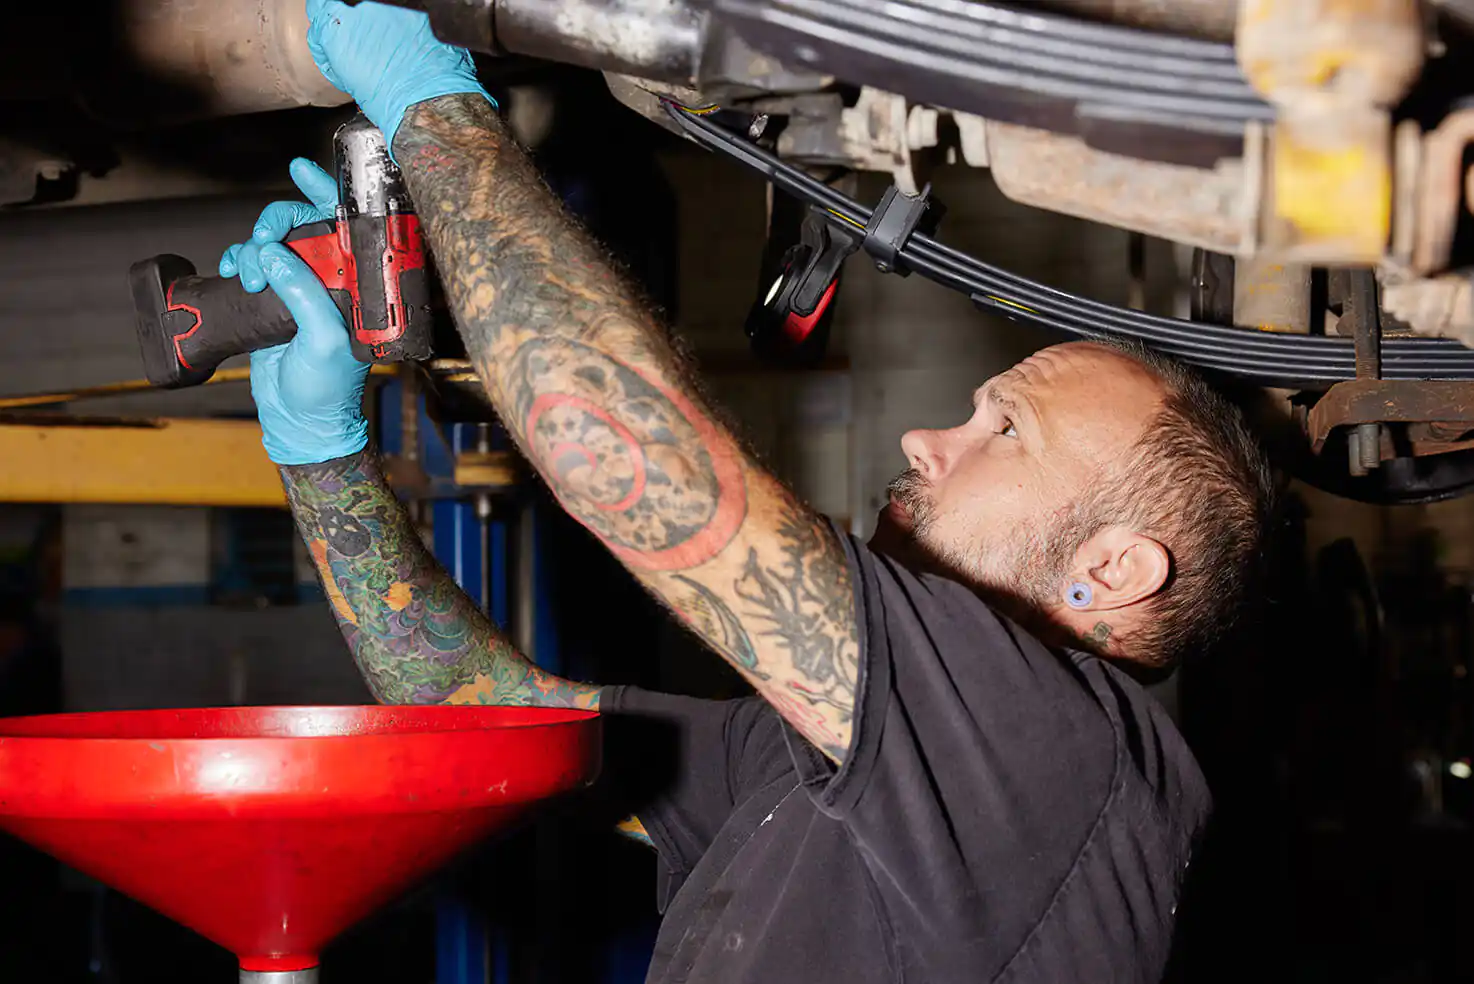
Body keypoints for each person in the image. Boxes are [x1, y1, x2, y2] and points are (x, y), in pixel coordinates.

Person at [220, 3, 1275, 980]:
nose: (925, 438)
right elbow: (476, 713)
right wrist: (322, 450)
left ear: (1113, 570)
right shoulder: (833, 752)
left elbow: (620, 455)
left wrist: (434, 111)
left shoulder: (1062, 755)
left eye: (1005, 428)